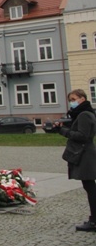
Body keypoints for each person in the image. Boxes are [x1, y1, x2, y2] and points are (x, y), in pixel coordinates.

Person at [57, 89, 96, 231]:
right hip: (85, 152)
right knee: (89, 186)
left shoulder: (84, 114)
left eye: (73, 99)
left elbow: (82, 135)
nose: (71, 102)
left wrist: (64, 131)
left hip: (84, 154)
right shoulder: (84, 113)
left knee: (90, 187)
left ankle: (94, 221)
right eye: (70, 100)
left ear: (82, 99)